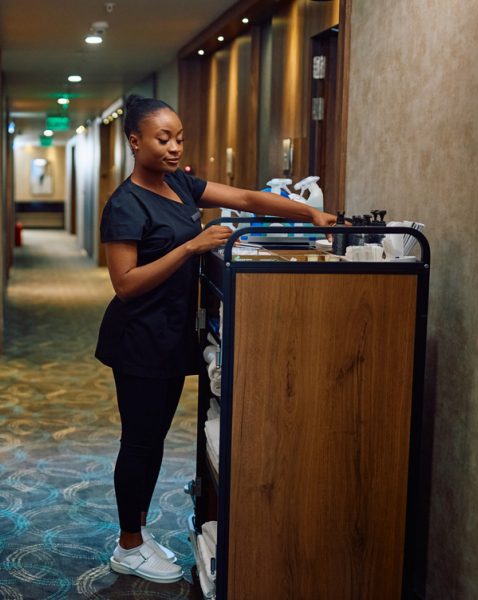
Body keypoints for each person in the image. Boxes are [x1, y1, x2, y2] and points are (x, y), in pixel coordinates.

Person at [97, 95, 336, 584]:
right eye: (162, 138)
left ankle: (138, 535)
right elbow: (125, 285)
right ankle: (127, 545)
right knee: (139, 442)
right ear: (135, 141)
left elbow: (247, 198)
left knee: (155, 440)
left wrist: (309, 215)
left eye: (179, 138)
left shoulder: (181, 185)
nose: (173, 147)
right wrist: (193, 245)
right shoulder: (125, 203)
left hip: (169, 335)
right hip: (139, 337)